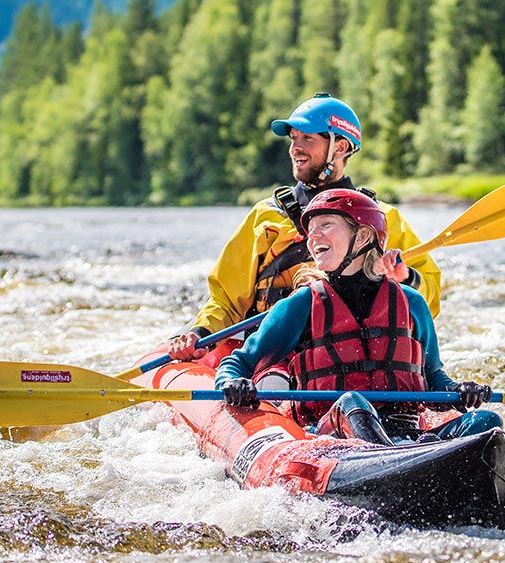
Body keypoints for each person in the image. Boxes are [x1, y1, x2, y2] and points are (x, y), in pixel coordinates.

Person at [169, 93, 441, 377]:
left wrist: (406, 277)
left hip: (353, 360)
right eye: (293, 138)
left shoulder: (381, 220)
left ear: (340, 147)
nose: (295, 148)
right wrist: (201, 332)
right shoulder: (267, 218)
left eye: (307, 139)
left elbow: (428, 300)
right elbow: (226, 299)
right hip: (275, 359)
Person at [214, 188, 502, 446]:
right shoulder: (302, 304)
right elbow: (239, 362)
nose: (313, 237)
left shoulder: (410, 302)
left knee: (486, 422)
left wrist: (459, 391)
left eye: (326, 225)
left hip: (407, 434)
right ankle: (398, 461)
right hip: (332, 432)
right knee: (353, 402)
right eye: (311, 229)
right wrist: (232, 383)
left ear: (363, 236)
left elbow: (435, 377)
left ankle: (410, 455)